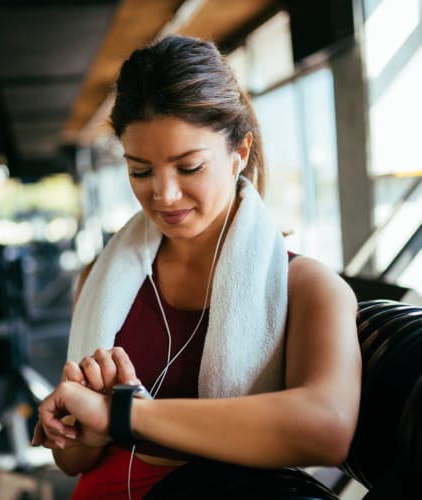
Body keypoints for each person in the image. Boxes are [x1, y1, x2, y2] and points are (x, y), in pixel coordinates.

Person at [32, 35, 361, 499]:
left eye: (188, 168)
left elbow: (326, 429)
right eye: (141, 171)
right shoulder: (100, 279)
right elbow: (71, 462)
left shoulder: (308, 287)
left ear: (239, 154)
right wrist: (77, 428)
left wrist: (125, 415)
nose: (163, 195)